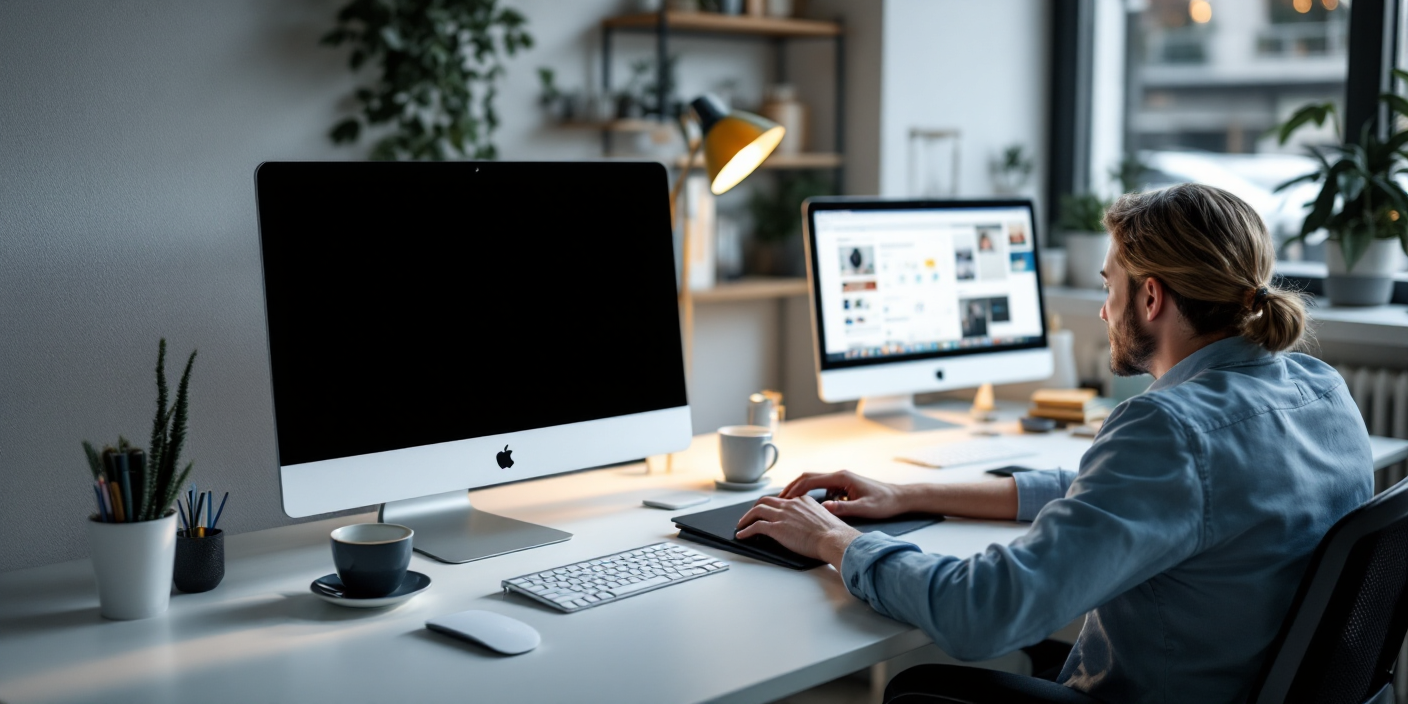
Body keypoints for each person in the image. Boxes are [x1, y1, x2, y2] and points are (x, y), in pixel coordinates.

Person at [737, 184, 1373, 703]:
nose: (1103, 310)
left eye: (1108, 286)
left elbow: (983, 612)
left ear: (1150, 296)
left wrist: (834, 540)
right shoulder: (1323, 390)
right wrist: (907, 493)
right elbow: (1116, 497)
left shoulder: (1168, 430)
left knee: (921, 689)